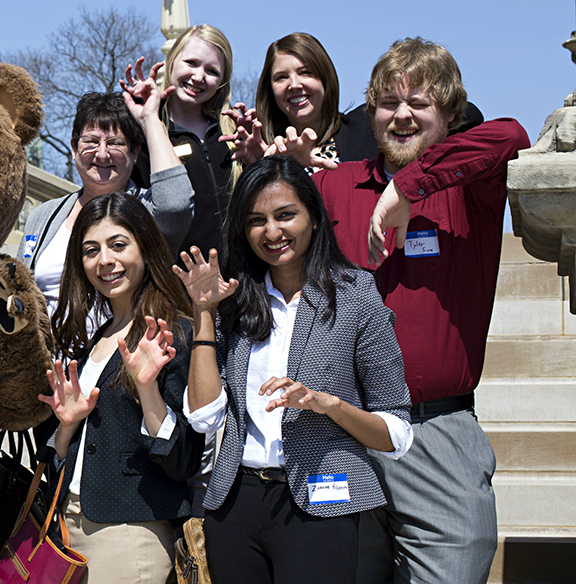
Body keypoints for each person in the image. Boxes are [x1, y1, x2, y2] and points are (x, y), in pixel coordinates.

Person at [309, 38, 530, 584]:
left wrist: (408, 187)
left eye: (421, 102)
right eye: (388, 102)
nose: (401, 114)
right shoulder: (334, 186)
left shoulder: (472, 191)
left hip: (435, 432)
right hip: (342, 435)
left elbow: (513, 135)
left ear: (450, 114)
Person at [176, 156, 413, 584]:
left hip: (323, 501)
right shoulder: (232, 300)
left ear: (315, 217)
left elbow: (396, 433)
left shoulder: (357, 295)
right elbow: (203, 416)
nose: (272, 232)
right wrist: (205, 313)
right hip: (235, 501)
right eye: (256, 220)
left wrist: (331, 405)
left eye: (285, 215)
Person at [37, 192, 204, 584]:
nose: (104, 261)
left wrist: (147, 389)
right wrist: (66, 425)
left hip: (130, 534)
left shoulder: (174, 333)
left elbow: (184, 460)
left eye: (118, 245)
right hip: (70, 525)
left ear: (145, 248)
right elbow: (64, 456)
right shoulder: (96, 338)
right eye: (91, 250)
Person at [23, 59, 196, 315]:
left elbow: (177, 204)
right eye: (91, 141)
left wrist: (149, 120)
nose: (102, 154)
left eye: (115, 143)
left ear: (135, 152)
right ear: (74, 147)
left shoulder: (148, 211)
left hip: (130, 352)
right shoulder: (43, 217)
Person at [226, 32, 484, 174]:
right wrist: (259, 167)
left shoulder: (368, 125)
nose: (294, 84)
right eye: (281, 77)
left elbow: (470, 116)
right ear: (270, 90)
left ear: (326, 80)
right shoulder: (269, 151)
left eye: (306, 73)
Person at [154, 24, 237, 231]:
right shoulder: (150, 130)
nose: (199, 77)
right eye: (191, 63)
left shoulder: (232, 134)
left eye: (212, 71)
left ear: (221, 81)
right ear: (172, 61)